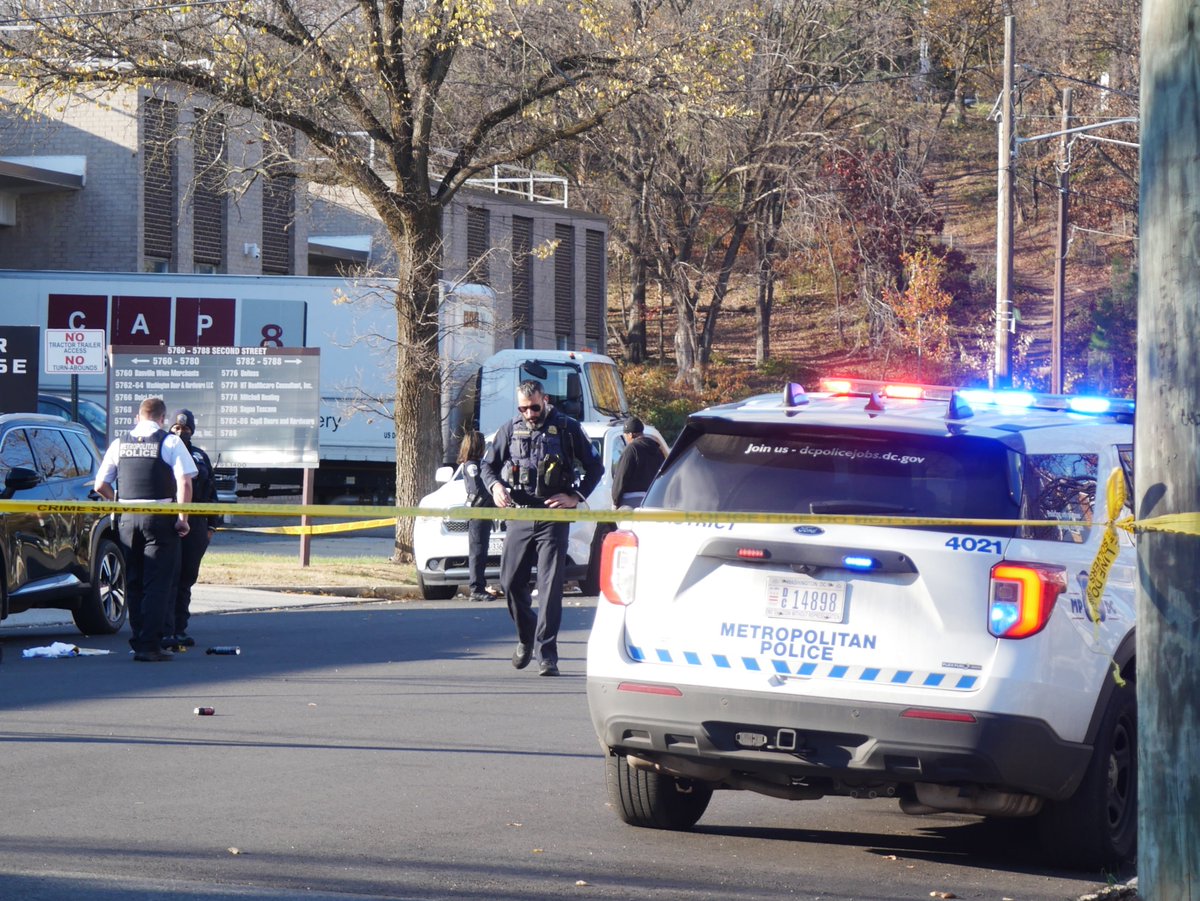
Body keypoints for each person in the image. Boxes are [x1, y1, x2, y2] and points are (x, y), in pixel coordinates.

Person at [481, 379, 603, 676]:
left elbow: (595, 467)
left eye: (534, 407)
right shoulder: (510, 429)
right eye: (523, 408)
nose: (529, 414)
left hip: (554, 517)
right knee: (510, 582)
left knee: (550, 587)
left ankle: (547, 654)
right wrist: (495, 487)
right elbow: (487, 466)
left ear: (544, 400)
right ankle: (527, 636)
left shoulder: (567, 428)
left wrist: (575, 497)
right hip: (520, 514)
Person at [95, 397, 197, 662]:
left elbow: (100, 485)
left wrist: (118, 502)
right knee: (158, 583)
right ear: (162, 419)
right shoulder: (170, 442)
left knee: (134, 582)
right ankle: (150, 644)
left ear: (137, 417)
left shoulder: (119, 443)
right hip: (160, 518)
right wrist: (183, 518)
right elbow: (185, 482)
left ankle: (139, 639)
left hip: (128, 519)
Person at [164, 409, 219, 648]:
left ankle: (180, 628)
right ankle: (165, 628)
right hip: (169, 521)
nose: (180, 432)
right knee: (169, 576)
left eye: (185, 429)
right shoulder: (163, 451)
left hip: (196, 523)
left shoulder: (200, 456)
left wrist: (211, 525)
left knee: (187, 576)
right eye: (176, 428)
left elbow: (211, 491)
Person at [459, 429, 499, 603]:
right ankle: (476, 589)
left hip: (482, 512)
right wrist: (494, 497)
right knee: (477, 551)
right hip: (478, 512)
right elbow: (477, 490)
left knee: (481, 551)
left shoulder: (474, 464)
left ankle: (479, 586)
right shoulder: (472, 466)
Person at [611, 416, 666, 508]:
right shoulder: (657, 450)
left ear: (630, 435)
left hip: (631, 503)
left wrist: (615, 501)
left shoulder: (631, 449)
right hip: (653, 501)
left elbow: (621, 477)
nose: (626, 439)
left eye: (625, 436)